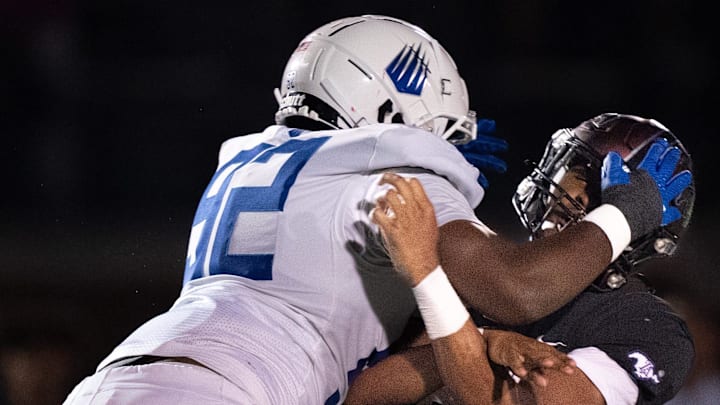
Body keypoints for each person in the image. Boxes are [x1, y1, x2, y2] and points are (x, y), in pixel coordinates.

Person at [63, 13, 689, 404]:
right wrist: (625, 211)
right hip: (236, 387)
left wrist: (475, 337)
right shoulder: (397, 176)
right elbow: (518, 289)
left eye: (592, 190)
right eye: (438, 130)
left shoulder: (248, 159)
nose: (446, 146)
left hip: (116, 378)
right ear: (394, 114)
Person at [346, 113, 695, 404]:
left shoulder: (648, 328)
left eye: (607, 195)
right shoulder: (488, 268)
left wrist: (428, 277)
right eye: (580, 176)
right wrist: (485, 342)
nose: (580, 199)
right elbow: (363, 395)